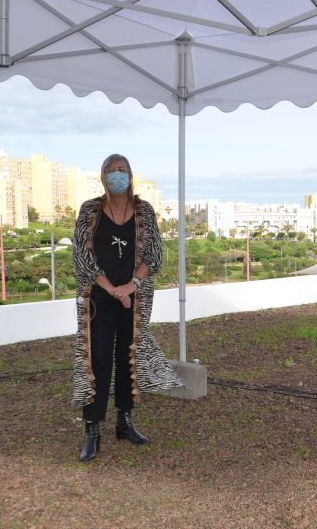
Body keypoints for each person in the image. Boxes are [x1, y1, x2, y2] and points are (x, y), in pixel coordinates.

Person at [71, 154, 181, 462]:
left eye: (122, 170)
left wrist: (131, 286)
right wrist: (111, 289)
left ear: (131, 175)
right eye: (111, 171)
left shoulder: (144, 210)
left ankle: (125, 421)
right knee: (97, 358)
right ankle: (92, 430)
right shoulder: (90, 210)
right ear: (102, 176)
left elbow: (156, 255)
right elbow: (81, 256)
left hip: (135, 297)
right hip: (98, 296)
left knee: (129, 357)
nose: (117, 175)